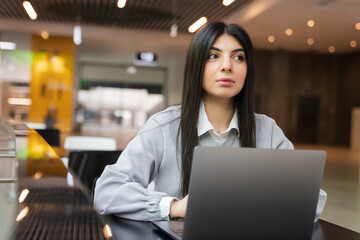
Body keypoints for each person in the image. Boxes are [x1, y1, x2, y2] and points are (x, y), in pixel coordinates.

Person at [93, 22, 326, 221]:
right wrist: (173, 207)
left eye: (238, 57)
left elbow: (312, 200)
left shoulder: (267, 130)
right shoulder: (164, 126)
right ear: (197, 66)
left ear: (247, 70)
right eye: (213, 56)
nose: (227, 66)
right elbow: (107, 190)